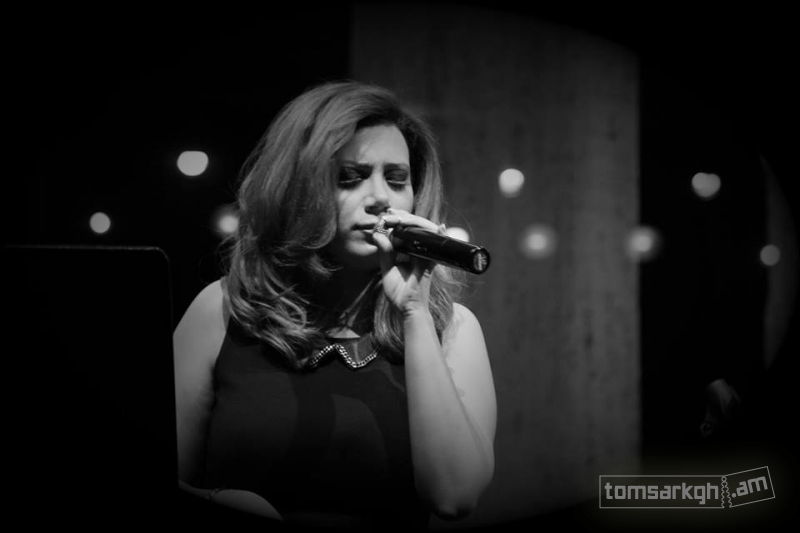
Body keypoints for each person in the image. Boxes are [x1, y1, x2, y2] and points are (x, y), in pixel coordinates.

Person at [173, 80, 497, 531]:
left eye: (396, 179)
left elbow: (455, 497)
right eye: (351, 177)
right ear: (296, 189)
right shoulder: (223, 309)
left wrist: (415, 313)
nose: (380, 197)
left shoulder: (452, 327)